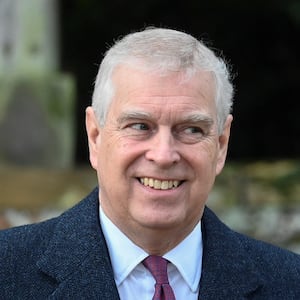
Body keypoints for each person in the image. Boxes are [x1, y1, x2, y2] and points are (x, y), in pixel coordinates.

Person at [0, 27, 300, 300]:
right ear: (95, 136)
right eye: (140, 126)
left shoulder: (289, 283)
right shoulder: (7, 270)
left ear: (220, 145)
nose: (164, 155)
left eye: (192, 129)